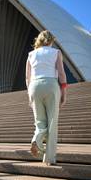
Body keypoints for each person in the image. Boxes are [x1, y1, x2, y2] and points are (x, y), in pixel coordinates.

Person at [25, 30, 67, 165]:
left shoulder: (31, 54)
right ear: (51, 41)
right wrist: (64, 92)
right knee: (52, 123)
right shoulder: (56, 53)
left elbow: (27, 77)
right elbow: (61, 74)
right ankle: (49, 158)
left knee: (40, 121)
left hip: (34, 86)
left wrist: (29, 95)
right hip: (51, 85)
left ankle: (36, 140)